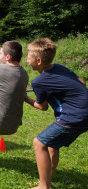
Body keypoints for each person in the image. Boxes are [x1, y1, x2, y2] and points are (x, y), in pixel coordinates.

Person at [24, 38, 88, 189]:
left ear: (38, 61)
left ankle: (44, 187)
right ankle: (46, 181)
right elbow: (82, 82)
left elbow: (42, 106)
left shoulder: (39, 82)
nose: (26, 60)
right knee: (52, 146)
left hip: (76, 116)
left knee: (39, 143)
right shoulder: (59, 67)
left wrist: (24, 97)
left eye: (28, 57)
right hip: (84, 113)